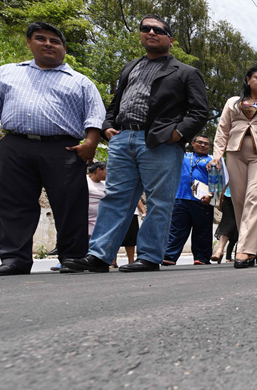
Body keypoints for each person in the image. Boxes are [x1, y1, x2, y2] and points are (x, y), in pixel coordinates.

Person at [67, 14, 209, 274]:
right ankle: (100, 256)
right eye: (146, 28)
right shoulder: (130, 67)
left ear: (170, 39)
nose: (151, 32)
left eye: (158, 29)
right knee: (115, 199)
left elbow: (200, 111)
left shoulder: (186, 72)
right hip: (123, 140)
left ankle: (149, 256)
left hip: (161, 142)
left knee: (159, 201)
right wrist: (108, 125)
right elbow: (116, 102)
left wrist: (177, 134)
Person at [0, 22, 105, 276]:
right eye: (40, 38)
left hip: (63, 148)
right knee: (13, 203)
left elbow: (95, 116)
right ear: (29, 42)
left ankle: (73, 257)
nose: (47, 44)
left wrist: (90, 143)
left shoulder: (81, 82)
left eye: (54, 41)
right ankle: (15, 259)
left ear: (64, 48)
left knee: (70, 204)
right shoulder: (7, 73)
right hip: (15, 144)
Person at [210, 65, 257, 268]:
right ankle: (254, 245)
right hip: (235, 155)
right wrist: (217, 155)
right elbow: (222, 130)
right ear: (248, 79)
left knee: (254, 199)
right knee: (238, 202)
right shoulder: (232, 103)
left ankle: (244, 249)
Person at [163, 134, 214, 265]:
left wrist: (211, 195)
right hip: (180, 198)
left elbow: (218, 181)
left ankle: (201, 258)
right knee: (176, 229)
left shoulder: (212, 160)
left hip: (202, 200)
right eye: (200, 142)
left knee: (202, 231)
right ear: (192, 143)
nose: (202, 145)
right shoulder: (183, 156)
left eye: (206, 144)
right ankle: (169, 256)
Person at [212, 185, 237, 263]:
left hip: (246, 195)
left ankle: (237, 254)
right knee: (226, 222)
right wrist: (222, 196)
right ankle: (220, 250)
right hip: (228, 195)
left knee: (239, 226)